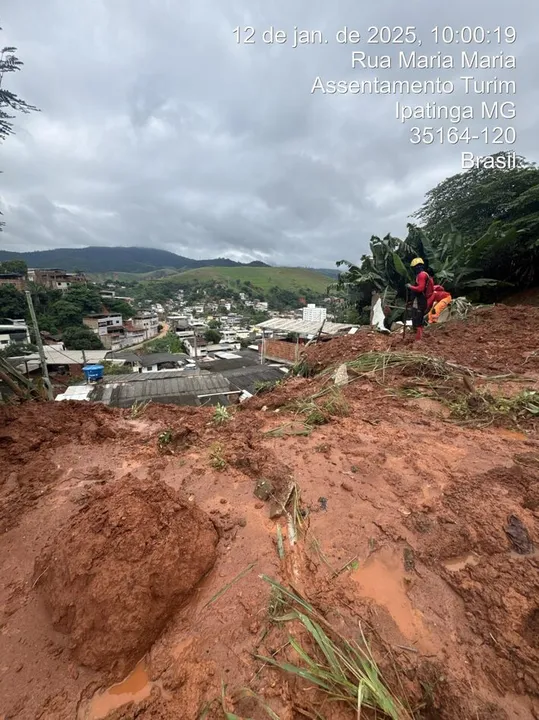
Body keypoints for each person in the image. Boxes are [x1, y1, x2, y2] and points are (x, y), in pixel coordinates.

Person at [406, 258, 434, 341]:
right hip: (419, 300)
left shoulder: (422, 275)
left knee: (418, 319)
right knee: (415, 317)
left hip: (421, 300)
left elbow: (420, 288)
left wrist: (410, 286)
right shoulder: (421, 275)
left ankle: (419, 339)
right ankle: (417, 337)